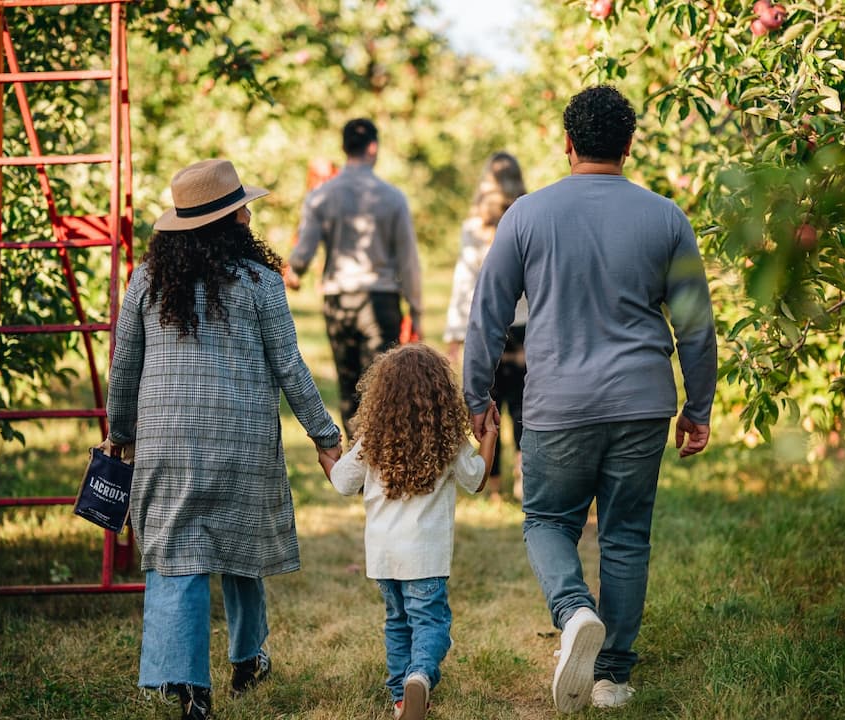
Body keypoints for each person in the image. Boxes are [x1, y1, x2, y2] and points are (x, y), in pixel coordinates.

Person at [463, 85, 717, 713]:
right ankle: (612, 678)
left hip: (559, 404)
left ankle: (574, 610)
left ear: (568, 143)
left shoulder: (526, 215)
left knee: (549, 521)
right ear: (629, 146)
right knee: (627, 535)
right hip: (642, 403)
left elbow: (487, 314)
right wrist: (699, 406)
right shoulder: (666, 218)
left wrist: (476, 395)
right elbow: (696, 325)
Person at [106, 159, 342, 720]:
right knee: (243, 547)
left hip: (165, 441)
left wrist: (120, 433)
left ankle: (189, 687)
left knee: (175, 554)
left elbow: (124, 367)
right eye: (242, 205)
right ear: (231, 217)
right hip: (242, 439)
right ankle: (247, 658)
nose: (248, 212)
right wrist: (325, 436)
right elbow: (290, 366)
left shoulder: (146, 280)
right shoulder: (259, 282)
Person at [320, 343, 498, 720]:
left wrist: (327, 457)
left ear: (381, 396)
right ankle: (419, 676)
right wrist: (490, 437)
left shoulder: (372, 441)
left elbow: (341, 482)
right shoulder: (447, 441)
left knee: (398, 623)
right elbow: (477, 479)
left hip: (383, 557)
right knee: (432, 624)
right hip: (425, 557)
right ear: (441, 394)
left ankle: (401, 699)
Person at [285, 118, 423, 441]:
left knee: (349, 383)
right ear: (372, 147)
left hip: (338, 300)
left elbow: (303, 252)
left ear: (345, 147)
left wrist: (295, 273)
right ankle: (383, 460)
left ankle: (359, 465)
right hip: (381, 299)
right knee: (383, 386)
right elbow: (408, 260)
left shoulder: (320, 197)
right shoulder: (392, 197)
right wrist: (416, 309)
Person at [443, 151, 528, 501]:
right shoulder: (527, 219)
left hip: (488, 325)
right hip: (525, 324)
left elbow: (465, 282)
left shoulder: (474, 228)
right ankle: (524, 476)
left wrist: (455, 332)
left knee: (489, 404)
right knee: (524, 406)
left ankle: (493, 487)